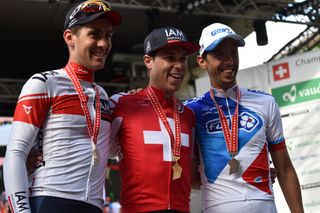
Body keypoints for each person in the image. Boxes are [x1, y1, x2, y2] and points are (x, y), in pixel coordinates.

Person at [3, 1, 122, 212]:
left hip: (94, 205)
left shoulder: (102, 95)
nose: (104, 44)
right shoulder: (44, 83)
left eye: (108, 35)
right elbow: (16, 152)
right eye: (94, 35)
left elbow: (112, 151)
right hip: (50, 200)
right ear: (70, 38)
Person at [184, 23, 304, 213]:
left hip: (264, 205)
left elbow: (285, 169)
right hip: (218, 207)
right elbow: (187, 175)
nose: (229, 61)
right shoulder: (190, 111)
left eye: (233, 53)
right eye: (220, 54)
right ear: (201, 61)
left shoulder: (266, 102)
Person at [108, 27, 199, 213]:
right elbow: (96, 153)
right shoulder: (121, 105)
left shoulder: (189, 114)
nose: (179, 65)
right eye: (170, 57)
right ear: (148, 61)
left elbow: (198, 173)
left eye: (182, 58)